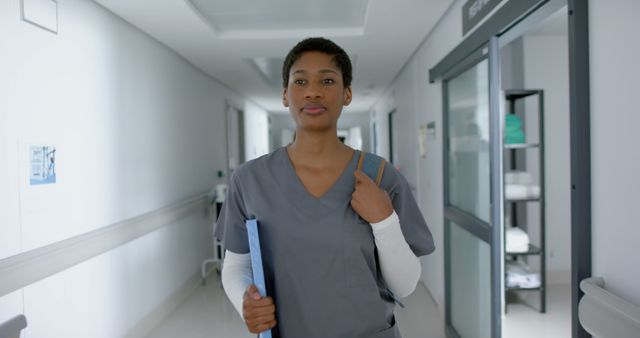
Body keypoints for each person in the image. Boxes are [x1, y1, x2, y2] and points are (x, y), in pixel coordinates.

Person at [214, 37, 434, 338]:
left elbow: (405, 286)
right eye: (300, 81)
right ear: (285, 95)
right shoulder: (250, 180)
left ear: (347, 94)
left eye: (327, 81)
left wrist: (384, 220)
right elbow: (236, 264)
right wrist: (245, 304)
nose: (313, 92)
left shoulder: (380, 176)